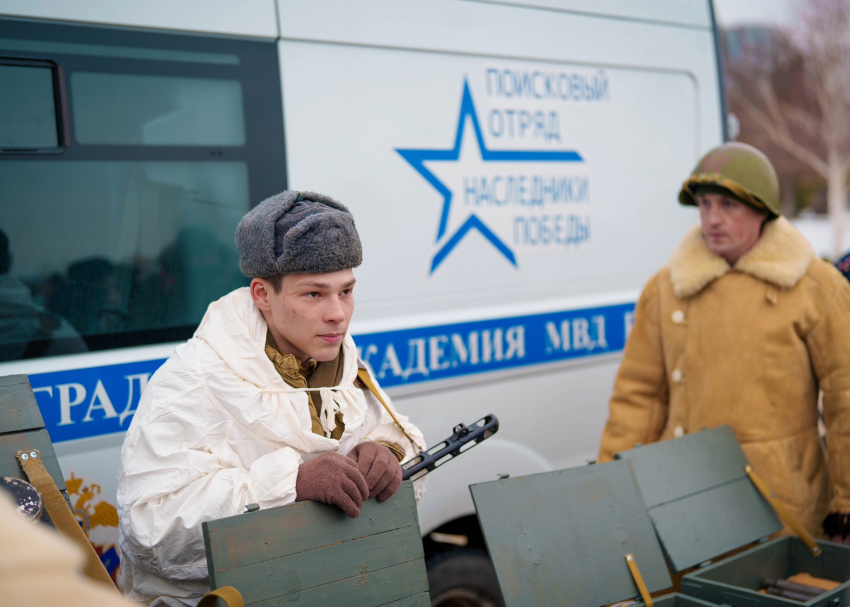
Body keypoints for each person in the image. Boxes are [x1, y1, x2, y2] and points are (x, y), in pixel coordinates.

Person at [117, 191, 426, 606]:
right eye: (314, 294)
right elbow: (151, 529)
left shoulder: (338, 359)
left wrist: (387, 451)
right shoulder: (191, 380)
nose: (338, 313)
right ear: (262, 294)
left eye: (346, 291)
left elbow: (392, 430)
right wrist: (289, 485)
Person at [597, 142, 850, 542]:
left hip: (780, 507)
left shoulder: (815, 287)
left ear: (763, 209)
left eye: (729, 206)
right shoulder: (666, 288)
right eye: (705, 205)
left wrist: (846, 505)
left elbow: (845, 400)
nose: (712, 219)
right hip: (682, 498)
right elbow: (637, 397)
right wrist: (611, 493)